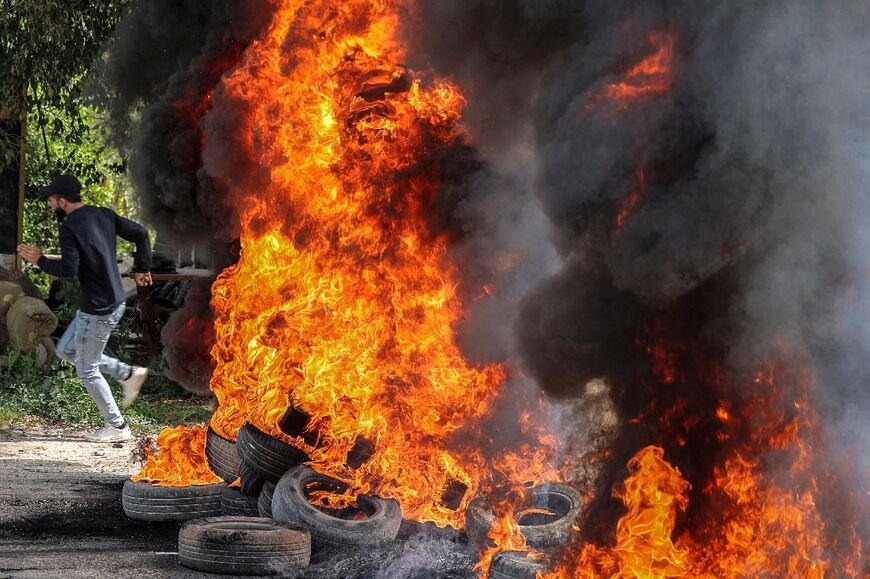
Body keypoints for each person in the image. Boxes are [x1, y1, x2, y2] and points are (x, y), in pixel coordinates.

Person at [17, 174, 153, 443]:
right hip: (105, 302)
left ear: (62, 201)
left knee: (87, 369)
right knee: (66, 350)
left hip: (98, 308)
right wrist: (143, 267)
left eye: (51, 200)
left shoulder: (69, 227)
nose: (49, 205)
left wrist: (40, 260)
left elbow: (69, 269)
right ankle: (127, 373)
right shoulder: (103, 214)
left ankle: (118, 426)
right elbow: (141, 234)